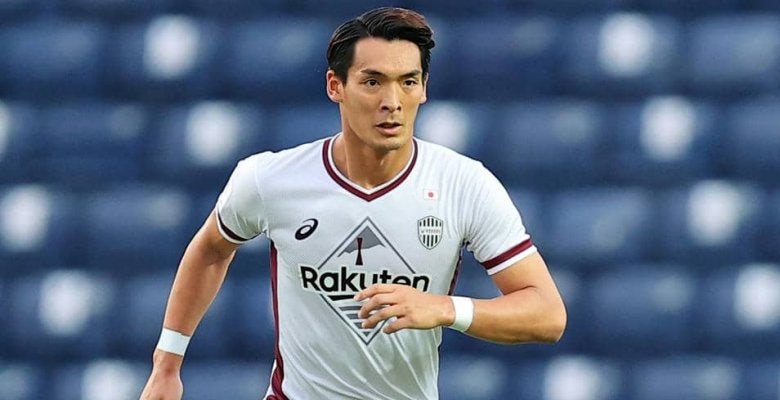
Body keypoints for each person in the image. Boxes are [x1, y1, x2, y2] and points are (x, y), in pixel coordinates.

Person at [139, 6, 567, 400]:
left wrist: (444, 308)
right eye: (373, 81)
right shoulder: (270, 179)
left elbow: (547, 315)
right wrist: (166, 364)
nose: (391, 102)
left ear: (424, 89)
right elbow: (212, 249)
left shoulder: (464, 185)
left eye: (408, 82)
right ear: (335, 86)